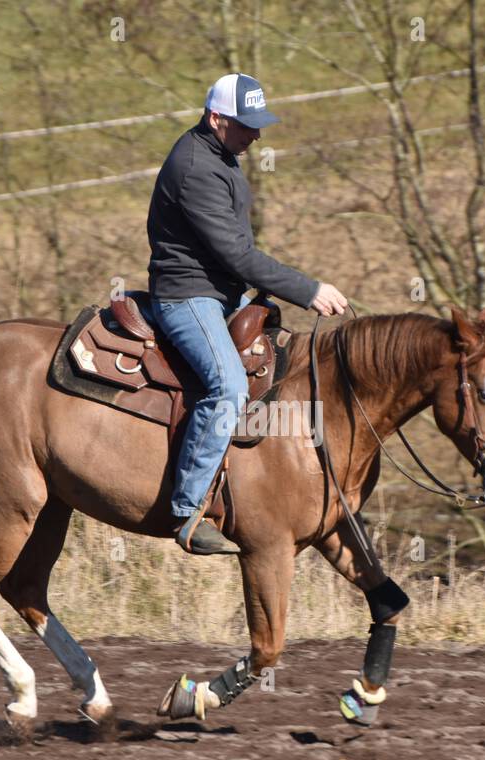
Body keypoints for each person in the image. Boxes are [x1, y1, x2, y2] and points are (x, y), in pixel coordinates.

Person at [145, 73, 348, 555]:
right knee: (229, 385)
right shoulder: (197, 167)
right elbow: (237, 255)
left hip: (222, 290)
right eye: (246, 125)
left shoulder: (222, 154)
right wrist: (307, 289)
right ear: (216, 119)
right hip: (188, 295)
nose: (256, 135)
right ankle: (188, 511)